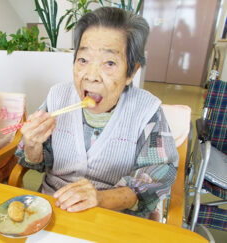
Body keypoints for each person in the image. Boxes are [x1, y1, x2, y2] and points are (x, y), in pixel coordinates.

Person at [15, 7, 179, 219]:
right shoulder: (58, 97)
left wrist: (101, 199)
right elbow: (33, 161)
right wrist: (32, 145)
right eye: (83, 60)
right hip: (53, 208)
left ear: (132, 71)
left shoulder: (146, 111)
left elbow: (156, 179)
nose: (91, 76)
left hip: (114, 216)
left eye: (109, 63)